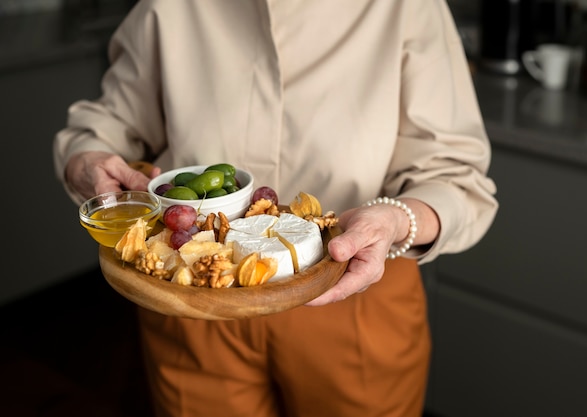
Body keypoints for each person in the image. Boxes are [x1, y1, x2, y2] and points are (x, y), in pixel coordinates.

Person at [53, 1, 498, 416]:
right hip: (192, 295)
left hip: (354, 294)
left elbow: (456, 177)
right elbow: (110, 122)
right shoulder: (169, 8)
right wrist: (87, 157)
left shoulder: (408, 8)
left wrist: (397, 218)